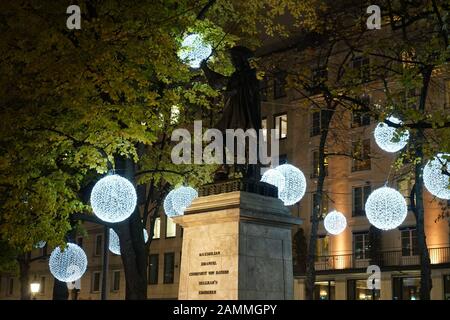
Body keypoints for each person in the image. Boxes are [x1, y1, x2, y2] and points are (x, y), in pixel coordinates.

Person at [200, 46, 261, 180]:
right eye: (233, 59)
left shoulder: (250, 75)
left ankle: (248, 167)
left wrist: (236, 91)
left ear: (241, 60)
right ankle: (225, 165)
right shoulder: (235, 76)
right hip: (231, 113)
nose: (233, 62)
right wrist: (205, 68)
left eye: (235, 59)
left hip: (244, 114)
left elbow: (252, 90)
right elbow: (218, 82)